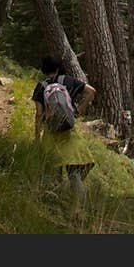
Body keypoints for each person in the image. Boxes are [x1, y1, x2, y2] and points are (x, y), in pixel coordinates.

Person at [32, 55, 96, 201]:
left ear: (44, 69)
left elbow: (39, 114)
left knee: (51, 173)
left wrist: (37, 137)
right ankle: (79, 209)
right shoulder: (68, 81)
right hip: (69, 133)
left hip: (51, 135)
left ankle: (54, 205)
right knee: (74, 174)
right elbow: (91, 91)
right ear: (58, 67)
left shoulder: (41, 86)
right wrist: (79, 110)